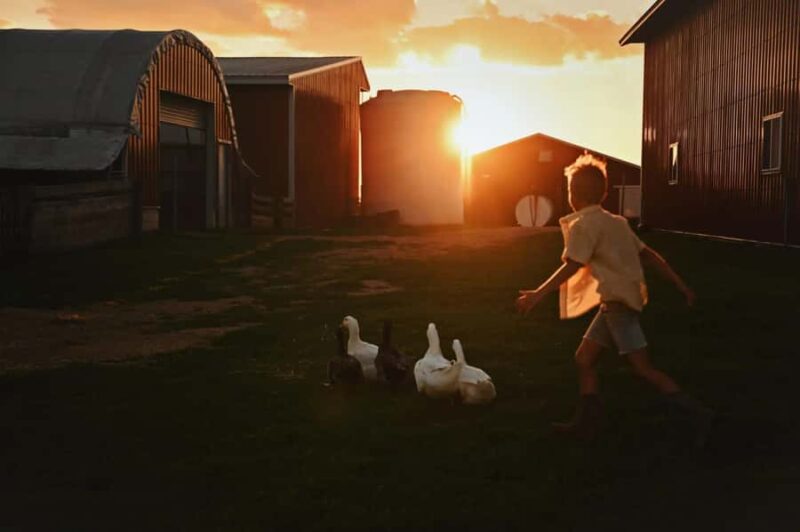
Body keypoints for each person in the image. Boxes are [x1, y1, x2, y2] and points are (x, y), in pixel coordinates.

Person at [516, 153, 714, 445]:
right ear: (604, 192)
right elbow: (650, 256)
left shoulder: (584, 225)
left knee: (644, 369)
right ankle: (589, 423)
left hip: (618, 309)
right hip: (614, 306)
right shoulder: (617, 222)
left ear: (573, 193)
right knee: (584, 359)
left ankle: (697, 414)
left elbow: (572, 264)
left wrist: (537, 294)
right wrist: (681, 285)